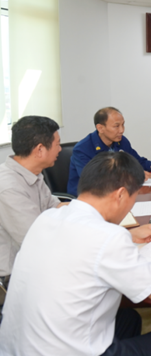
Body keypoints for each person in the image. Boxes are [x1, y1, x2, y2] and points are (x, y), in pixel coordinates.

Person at [0, 151, 151, 355]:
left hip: (15, 348)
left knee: (129, 319)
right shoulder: (109, 238)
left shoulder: (47, 218)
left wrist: (129, 234)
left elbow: (82, 241)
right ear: (121, 194)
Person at [0, 116, 67, 285]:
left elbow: (55, 206)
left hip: (39, 261)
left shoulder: (32, 173)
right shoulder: (8, 188)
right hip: (14, 277)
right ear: (40, 150)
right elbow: (35, 240)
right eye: (57, 144)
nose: (60, 149)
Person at [67, 107, 151, 197]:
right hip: (88, 198)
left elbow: (136, 161)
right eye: (116, 126)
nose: (121, 130)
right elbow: (93, 180)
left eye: (123, 125)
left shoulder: (121, 141)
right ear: (100, 128)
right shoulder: (82, 149)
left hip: (114, 194)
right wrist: (131, 176)